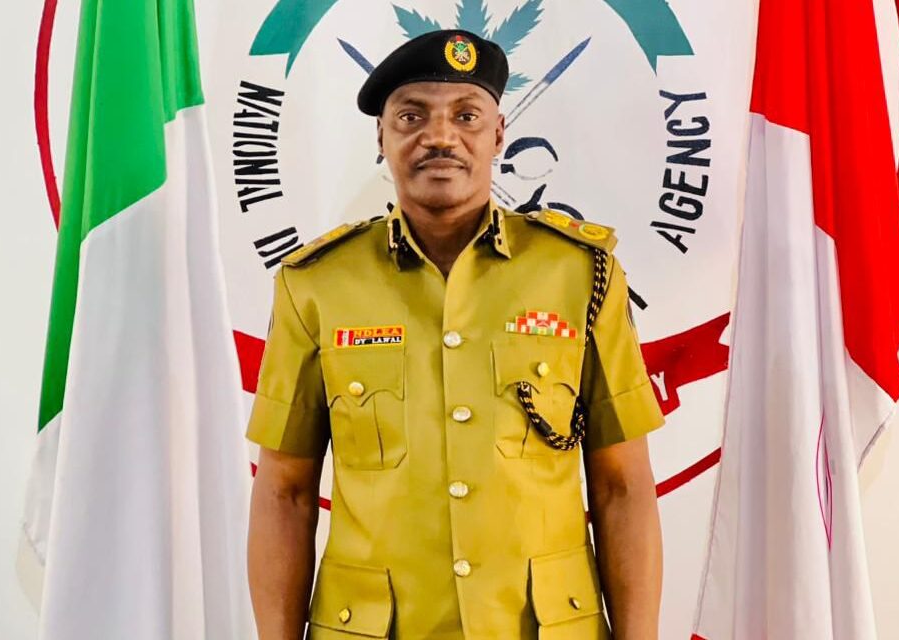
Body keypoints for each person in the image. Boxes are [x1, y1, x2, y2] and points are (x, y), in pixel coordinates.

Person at [246, 29, 665, 640]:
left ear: (499, 135)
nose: (440, 136)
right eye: (411, 116)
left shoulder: (578, 273)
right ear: (381, 138)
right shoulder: (316, 285)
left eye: (466, 116)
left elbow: (622, 485)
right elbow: (284, 492)